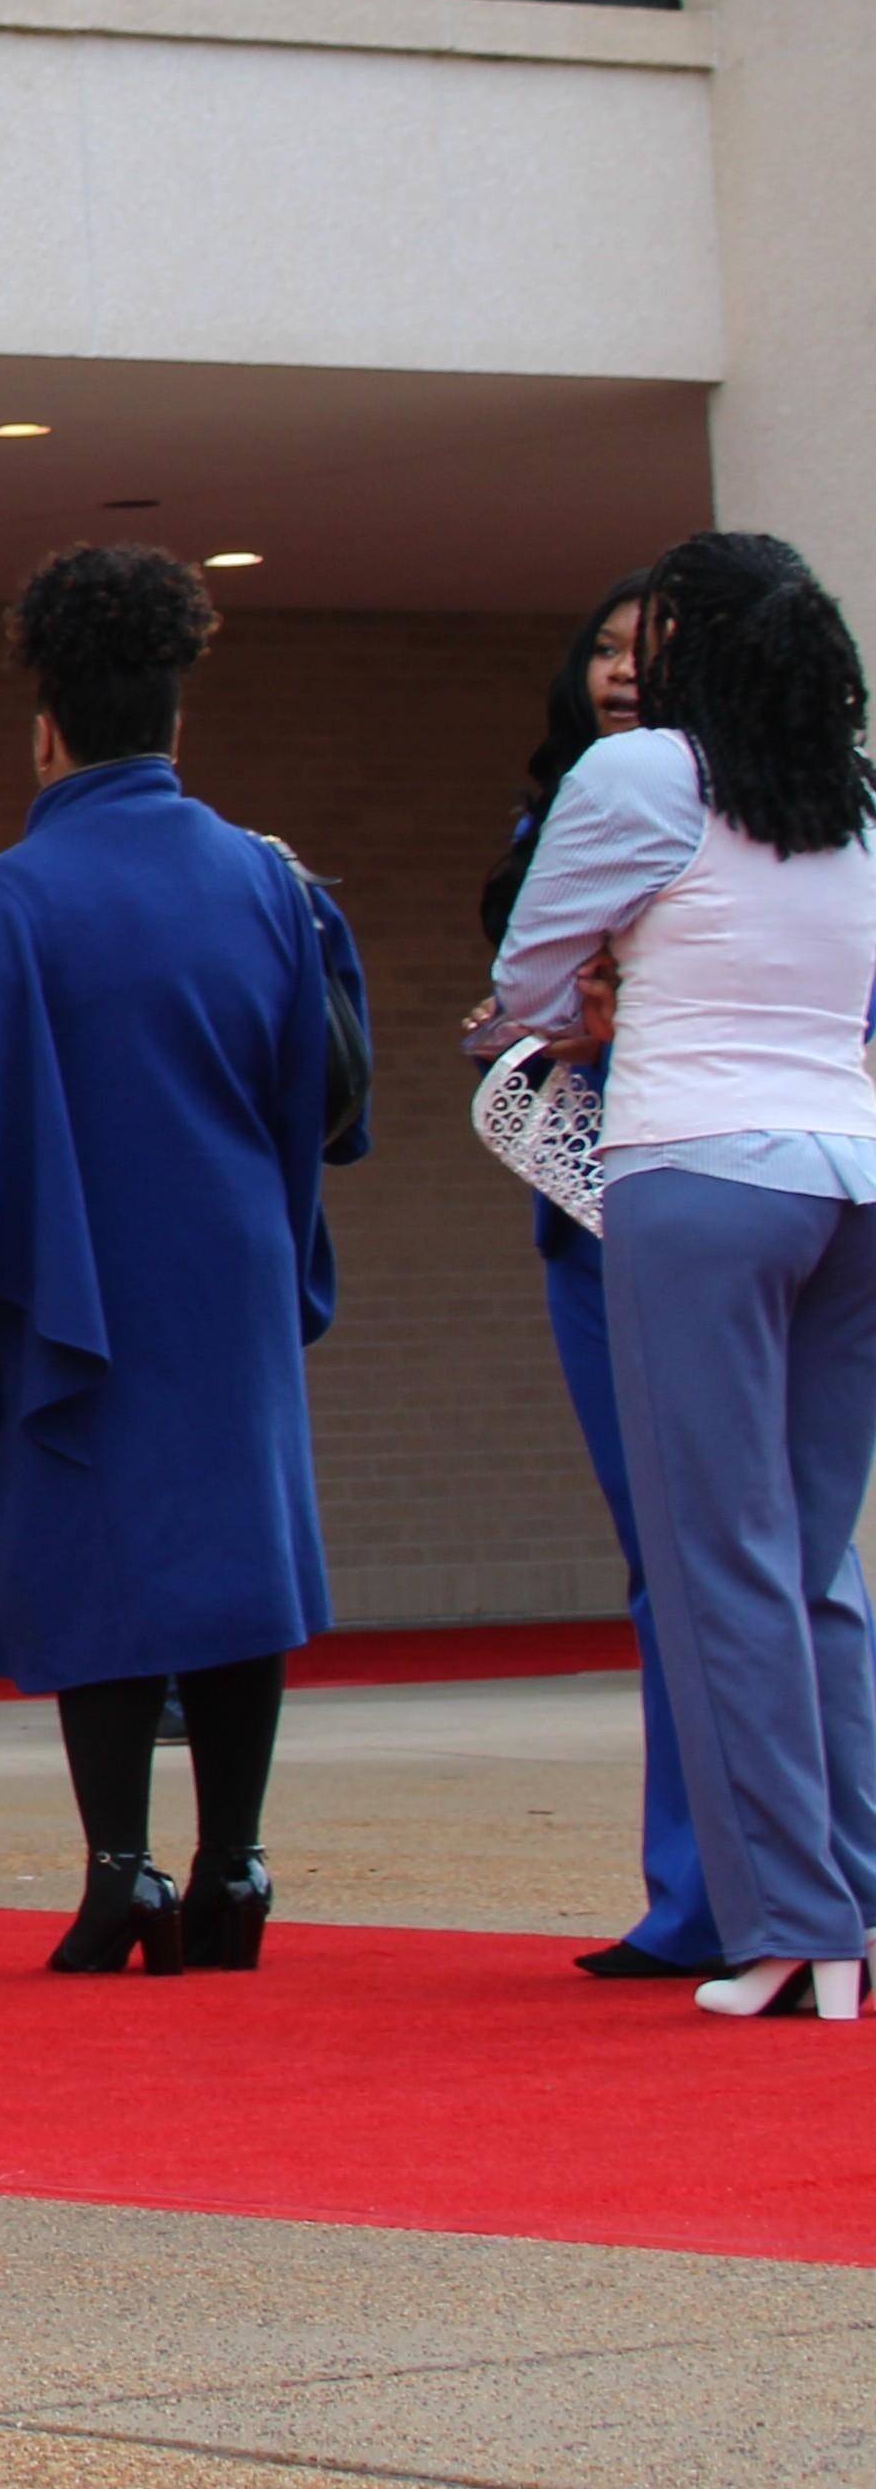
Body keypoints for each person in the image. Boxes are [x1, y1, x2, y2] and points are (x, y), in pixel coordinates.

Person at [0, 547, 366, 1978]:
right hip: (232, 1264)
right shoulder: (269, 880)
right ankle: (237, 1862)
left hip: (80, 1276)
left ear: (45, 729)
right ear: (178, 718)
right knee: (234, 1550)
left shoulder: (7, 900)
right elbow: (326, 1090)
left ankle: (123, 1872)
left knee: (99, 1550)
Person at [486, 530, 876, 2025]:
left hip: (699, 1179)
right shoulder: (850, 790)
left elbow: (528, 980)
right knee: (816, 1566)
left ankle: (788, 1929)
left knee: (720, 1563)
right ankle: (854, 1908)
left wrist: (594, 993)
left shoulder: (641, 776)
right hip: (849, 1178)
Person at [487, 568, 725, 1981]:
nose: (624, 670)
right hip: (597, 1203)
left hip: (686, 1195)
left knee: (727, 1559)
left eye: (655, 649)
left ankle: (741, 1888)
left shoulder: (758, 814)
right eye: (608, 649)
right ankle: (704, 1886)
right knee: (683, 1558)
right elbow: (525, 999)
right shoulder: (561, 815)